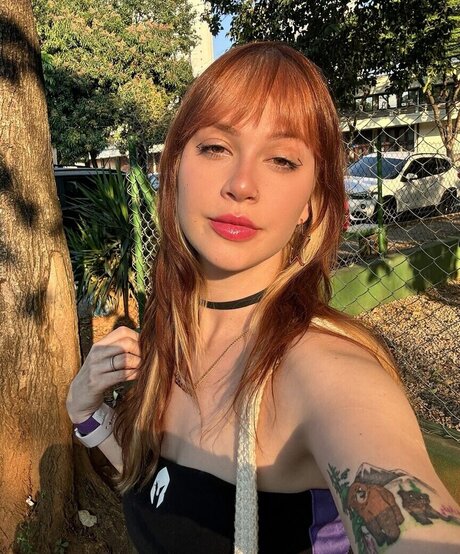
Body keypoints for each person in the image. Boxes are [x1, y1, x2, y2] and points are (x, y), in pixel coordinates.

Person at [66, 42, 460, 554]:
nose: (242, 184)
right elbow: (162, 495)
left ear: (312, 203)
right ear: (176, 167)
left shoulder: (323, 373)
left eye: (281, 159)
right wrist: (86, 414)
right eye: (216, 148)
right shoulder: (167, 341)